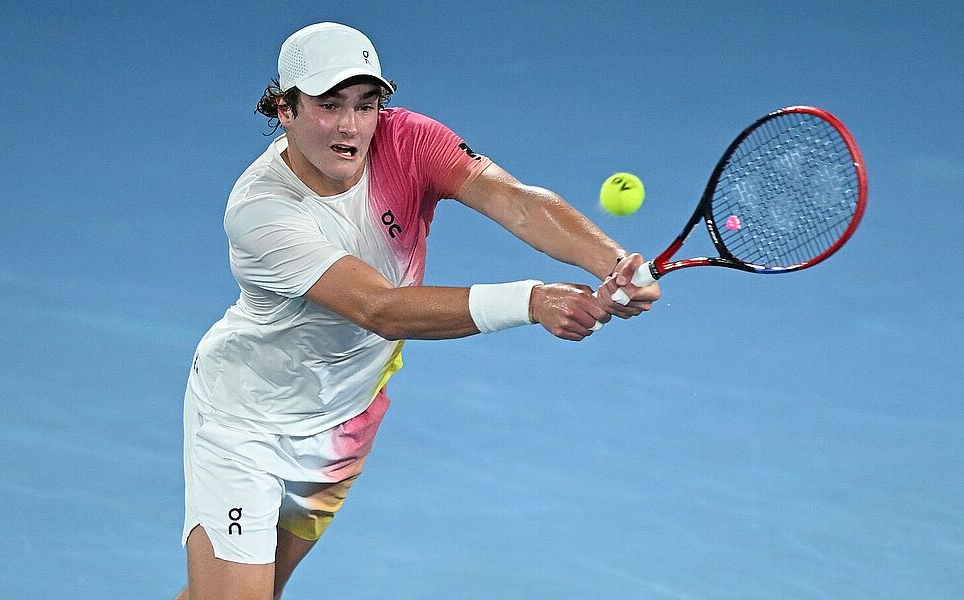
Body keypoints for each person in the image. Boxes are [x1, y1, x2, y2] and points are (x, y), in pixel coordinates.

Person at [175, 22, 660, 600]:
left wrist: (615, 264)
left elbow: (515, 201)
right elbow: (377, 308)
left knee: (249, 588)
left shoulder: (409, 141)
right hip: (246, 423)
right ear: (285, 110)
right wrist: (531, 301)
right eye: (329, 105)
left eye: (366, 104)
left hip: (344, 420)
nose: (350, 125)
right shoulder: (262, 210)